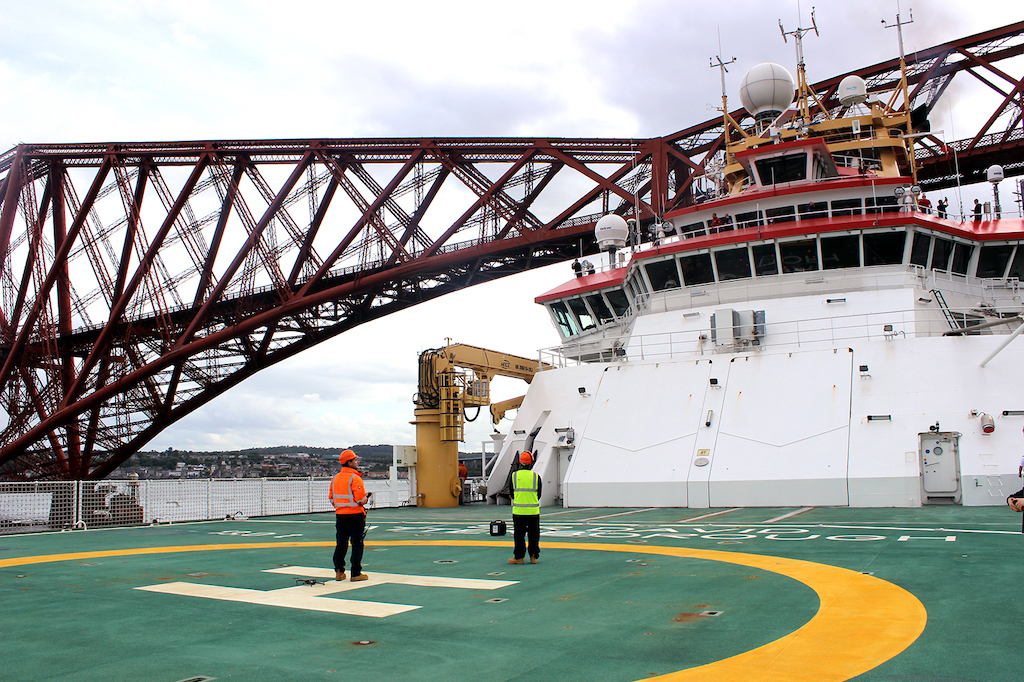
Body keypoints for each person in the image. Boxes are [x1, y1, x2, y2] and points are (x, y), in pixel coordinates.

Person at [330, 449, 369, 582]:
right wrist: (365, 499)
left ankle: (339, 571)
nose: (357, 462)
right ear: (349, 462)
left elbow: (332, 498)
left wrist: (341, 506)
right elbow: (360, 499)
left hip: (340, 516)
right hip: (355, 516)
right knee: (357, 544)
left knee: (341, 544)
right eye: (355, 460)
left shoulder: (335, 478)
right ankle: (356, 573)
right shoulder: (355, 478)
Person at [508, 451, 542, 565]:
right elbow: (539, 494)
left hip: (518, 511)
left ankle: (519, 558)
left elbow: (511, 494)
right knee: (534, 535)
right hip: (533, 511)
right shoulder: (536, 477)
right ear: (531, 463)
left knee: (519, 535)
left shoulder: (514, 476)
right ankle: (533, 557)